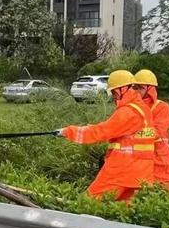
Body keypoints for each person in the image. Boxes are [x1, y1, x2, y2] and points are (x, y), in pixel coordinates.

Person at [56, 70, 156, 202]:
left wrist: (68, 131)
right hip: (141, 174)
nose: (113, 96)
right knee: (124, 212)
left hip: (121, 171)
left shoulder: (128, 112)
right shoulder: (142, 109)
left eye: (114, 92)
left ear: (124, 89)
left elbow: (101, 131)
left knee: (89, 203)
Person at [134, 69, 169, 195]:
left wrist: (133, 135)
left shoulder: (161, 107)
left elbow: (157, 132)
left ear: (150, 89)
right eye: (134, 87)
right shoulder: (131, 108)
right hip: (139, 162)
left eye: (140, 88)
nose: (136, 91)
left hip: (162, 161)